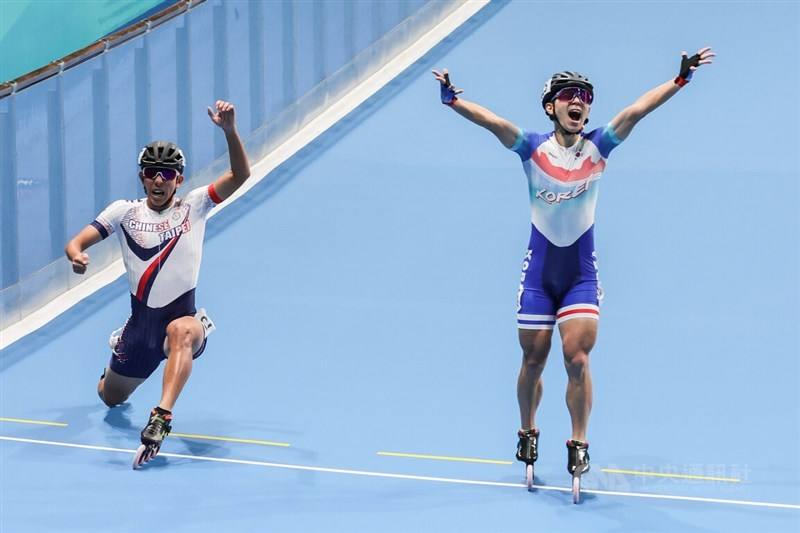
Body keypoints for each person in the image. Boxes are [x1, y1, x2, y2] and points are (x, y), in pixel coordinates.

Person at [433, 48, 715, 479]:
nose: (578, 100)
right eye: (569, 94)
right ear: (551, 107)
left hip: (580, 276)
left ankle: (578, 441)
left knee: (577, 358)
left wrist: (679, 80)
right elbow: (491, 122)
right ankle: (527, 430)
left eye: (584, 94)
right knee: (533, 359)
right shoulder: (530, 148)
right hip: (539, 276)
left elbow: (637, 110)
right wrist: (453, 101)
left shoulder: (599, 146)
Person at [64, 100, 251, 466]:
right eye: (152, 172)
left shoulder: (195, 206)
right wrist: (76, 255)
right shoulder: (124, 212)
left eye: (167, 173)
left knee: (183, 331)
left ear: (179, 179)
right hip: (139, 331)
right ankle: (116, 358)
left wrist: (229, 132)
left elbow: (241, 175)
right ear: (142, 177)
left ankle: (161, 417)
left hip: (179, 322)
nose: (159, 180)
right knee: (110, 397)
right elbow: (77, 241)